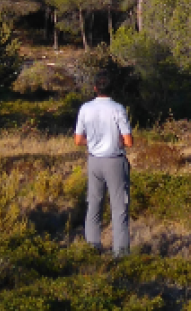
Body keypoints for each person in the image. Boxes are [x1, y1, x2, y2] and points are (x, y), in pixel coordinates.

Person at [73, 70, 134, 255]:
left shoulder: (85, 108)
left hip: (94, 161)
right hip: (114, 160)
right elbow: (129, 141)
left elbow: (77, 140)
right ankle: (120, 253)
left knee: (93, 205)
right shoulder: (118, 109)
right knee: (119, 208)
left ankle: (91, 249)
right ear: (111, 88)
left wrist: (92, 142)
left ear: (94, 88)